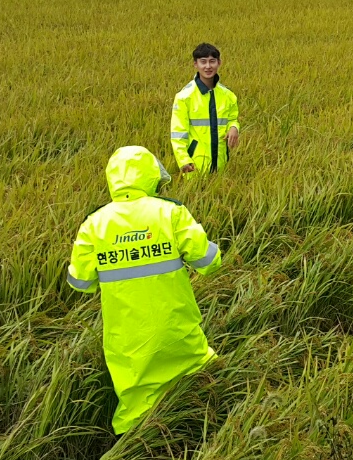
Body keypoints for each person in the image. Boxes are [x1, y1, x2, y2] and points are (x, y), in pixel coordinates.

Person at [66, 145, 223, 434]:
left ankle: (137, 458)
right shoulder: (171, 212)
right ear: (151, 175)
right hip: (178, 329)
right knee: (202, 387)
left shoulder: (93, 224)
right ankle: (206, 437)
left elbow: (80, 283)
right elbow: (208, 261)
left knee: (136, 412)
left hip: (128, 342)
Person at [170, 43, 240, 179]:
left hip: (221, 164)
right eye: (203, 62)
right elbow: (178, 134)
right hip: (194, 168)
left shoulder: (228, 95)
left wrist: (233, 128)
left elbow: (233, 118)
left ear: (219, 63)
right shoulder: (184, 97)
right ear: (195, 64)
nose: (208, 66)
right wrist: (183, 160)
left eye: (212, 61)